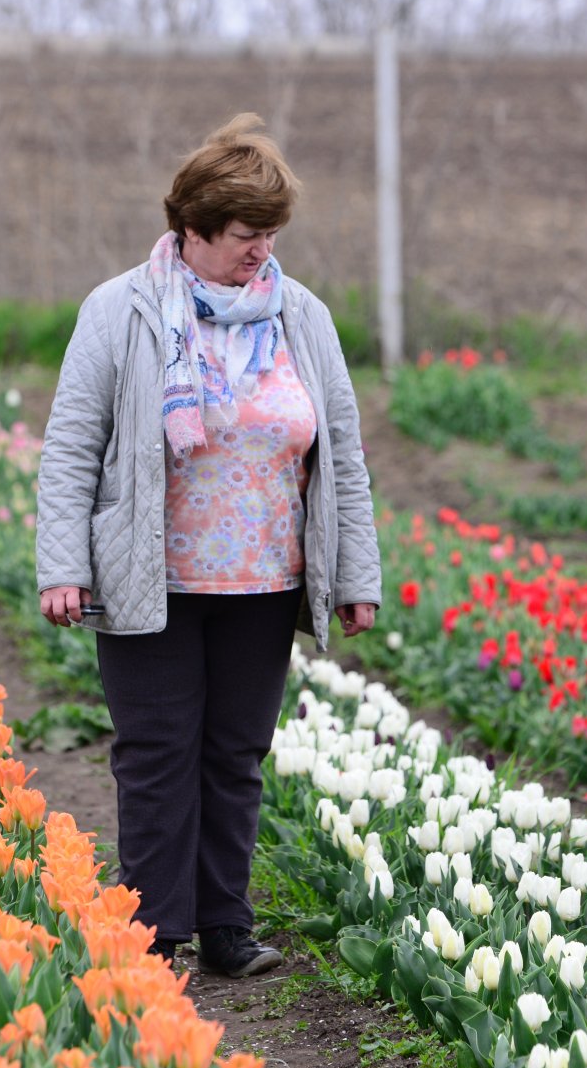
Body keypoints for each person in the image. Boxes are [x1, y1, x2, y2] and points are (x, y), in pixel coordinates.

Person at [35, 114, 381, 977]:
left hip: (264, 577)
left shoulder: (300, 316)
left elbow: (342, 453)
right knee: (155, 753)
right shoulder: (120, 310)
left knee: (235, 755)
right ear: (190, 227)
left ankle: (226, 924)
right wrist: (63, 566)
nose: (260, 252)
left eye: (270, 234)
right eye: (243, 234)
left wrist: (355, 574)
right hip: (149, 572)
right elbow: (72, 445)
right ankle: (156, 929)